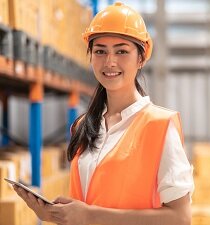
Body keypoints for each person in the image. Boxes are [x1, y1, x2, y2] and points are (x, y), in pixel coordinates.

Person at [13, 2, 194, 225]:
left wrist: (90, 216)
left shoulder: (159, 126)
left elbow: (181, 218)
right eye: (100, 51)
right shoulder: (83, 126)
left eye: (121, 51)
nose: (110, 62)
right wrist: (52, 214)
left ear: (141, 58)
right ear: (90, 56)